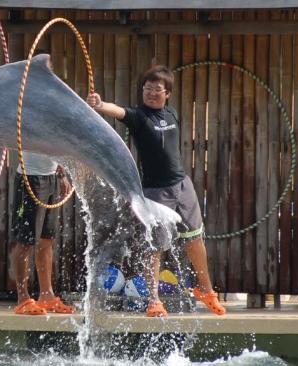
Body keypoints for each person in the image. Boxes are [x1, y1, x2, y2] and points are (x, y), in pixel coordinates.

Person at [86, 65, 226, 317]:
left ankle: (206, 290)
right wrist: (100, 105)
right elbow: (119, 111)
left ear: (167, 93)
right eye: (147, 88)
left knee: (195, 238)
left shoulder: (171, 114)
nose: (151, 93)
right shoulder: (139, 117)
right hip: (156, 192)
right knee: (155, 246)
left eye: (157, 89)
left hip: (183, 186)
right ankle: (153, 300)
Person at [11, 50, 75, 316]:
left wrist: (61, 174)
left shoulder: (53, 103)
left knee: (47, 239)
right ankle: (23, 298)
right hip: (29, 178)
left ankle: (47, 295)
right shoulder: (23, 102)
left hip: (49, 176)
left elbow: (56, 143)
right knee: (25, 241)